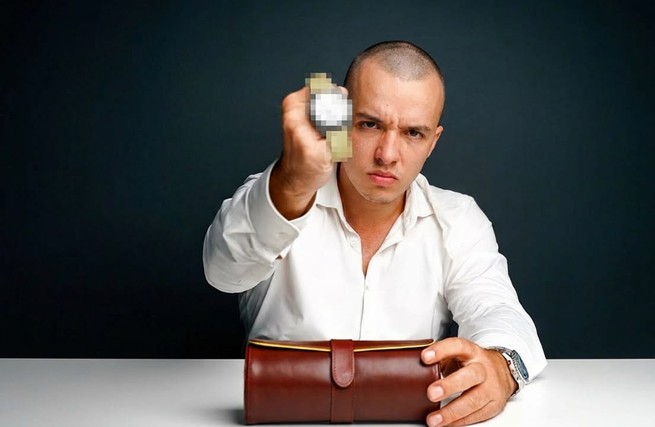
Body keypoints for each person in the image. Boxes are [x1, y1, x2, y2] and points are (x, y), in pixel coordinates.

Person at [203, 40, 546, 427]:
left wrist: (501, 367)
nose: (387, 154)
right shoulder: (276, 194)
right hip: (283, 419)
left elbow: (497, 310)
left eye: (413, 133)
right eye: (370, 124)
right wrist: (292, 185)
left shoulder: (458, 218)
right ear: (340, 123)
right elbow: (222, 272)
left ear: (433, 142)